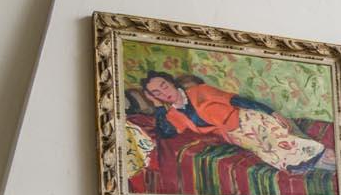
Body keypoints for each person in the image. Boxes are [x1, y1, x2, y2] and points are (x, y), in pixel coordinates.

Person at [138, 71, 329, 174]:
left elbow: (238, 100)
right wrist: (157, 106)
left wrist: (273, 112)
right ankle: (312, 164)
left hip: (249, 119)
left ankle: (323, 159)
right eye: (157, 93)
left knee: (280, 140)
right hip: (235, 135)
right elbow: (165, 133)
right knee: (267, 152)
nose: (164, 93)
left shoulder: (200, 91)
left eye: (164, 86)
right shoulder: (172, 114)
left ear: (172, 82)